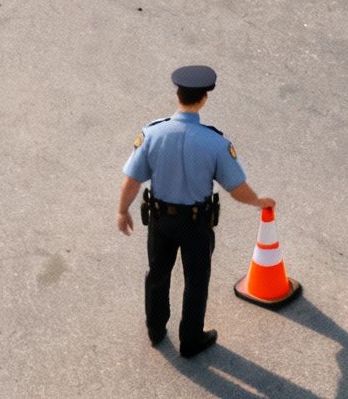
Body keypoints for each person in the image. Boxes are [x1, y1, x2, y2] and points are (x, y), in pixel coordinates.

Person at [116, 65, 275, 357]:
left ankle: (155, 330)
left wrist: (122, 211)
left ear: (178, 94)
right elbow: (236, 189)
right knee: (196, 281)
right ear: (204, 99)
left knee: (157, 275)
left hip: (161, 221)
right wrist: (260, 202)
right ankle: (190, 341)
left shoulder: (152, 134)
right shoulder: (215, 142)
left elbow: (132, 179)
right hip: (196, 224)